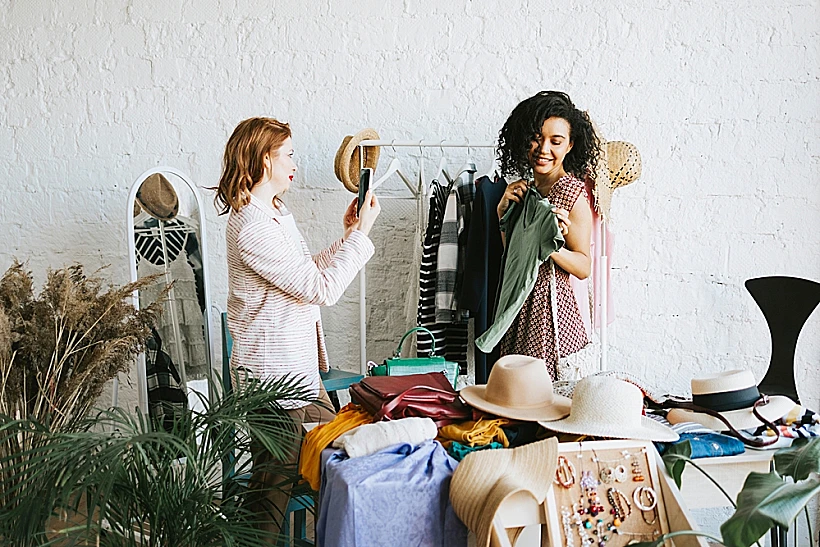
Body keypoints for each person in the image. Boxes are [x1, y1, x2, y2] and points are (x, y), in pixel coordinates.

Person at [214, 117, 381, 540]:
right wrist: (362, 234)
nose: (294, 163)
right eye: (288, 154)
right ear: (264, 158)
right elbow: (320, 289)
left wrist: (348, 234)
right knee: (270, 492)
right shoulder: (251, 226)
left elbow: (304, 272)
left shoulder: (274, 213)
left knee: (337, 461)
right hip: (271, 381)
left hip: (297, 375)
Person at [495, 91, 601, 380]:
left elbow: (583, 266)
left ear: (570, 146)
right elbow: (515, 256)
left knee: (546, 399)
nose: (543, 149)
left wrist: (549, 246)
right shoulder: (524, 190)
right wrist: (502, 215)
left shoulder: (572, 193)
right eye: (536, 137)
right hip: (520, 304)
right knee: (518, 396)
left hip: (550, 312)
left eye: (556, 141)